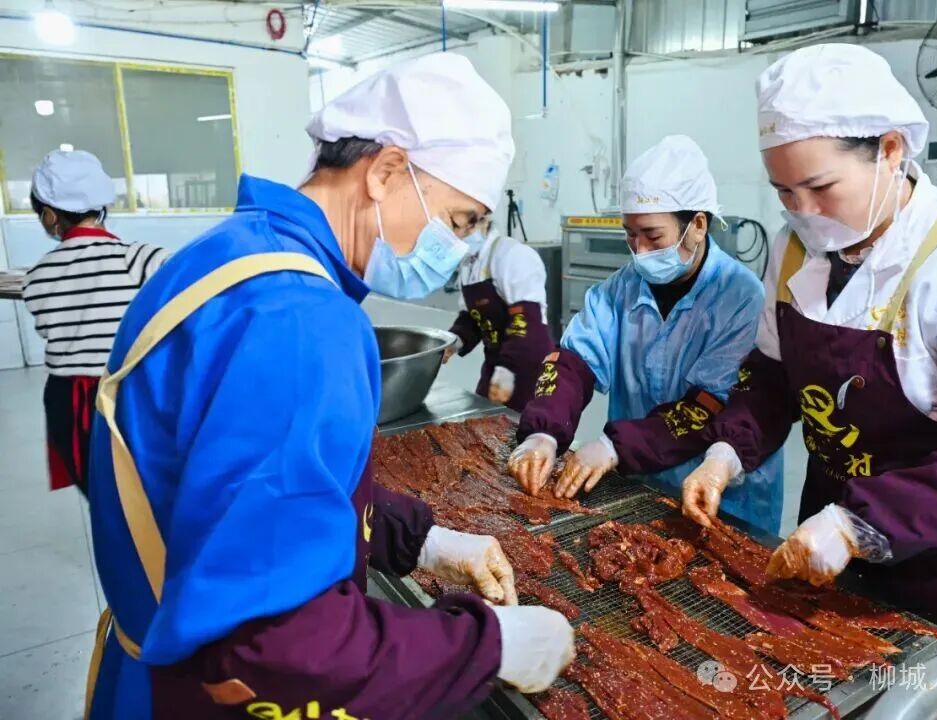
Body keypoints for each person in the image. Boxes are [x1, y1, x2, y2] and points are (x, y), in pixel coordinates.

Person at [84, 53, 574, 720]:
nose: (457, 248)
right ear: (386, 172)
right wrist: (490, 647)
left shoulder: (233, 255)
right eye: (458, 221)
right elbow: (276, 644)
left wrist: (419, 540)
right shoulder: (300, 320)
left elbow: (255, 491)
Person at [681, 43, 937, 636]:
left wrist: (857, 526)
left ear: (890, 150)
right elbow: (772, 377)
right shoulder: (793, 251)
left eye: (821, 186)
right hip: (831, 546)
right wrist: (726, 452)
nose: (804, 212)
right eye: (784, 192)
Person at [508, 135, 784, 533]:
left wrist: (615, 446)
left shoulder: (741, 299)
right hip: (640, 483)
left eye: (653, 236)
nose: (639, 251)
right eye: (630, 234)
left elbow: (710, 404)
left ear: (698, 226)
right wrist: (543, 432)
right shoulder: (619, 290)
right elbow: (573, 363)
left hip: (721, 496)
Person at [22, 150, 167, 498]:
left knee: (98, 490)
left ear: (49, 215)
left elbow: (49, 327)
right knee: (141, 491)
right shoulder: (141, 258)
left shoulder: (38, 274)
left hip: (68, 401)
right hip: (128, 390)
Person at [443, 216, 554, 410]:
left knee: (525, 422)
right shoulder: (468, 263)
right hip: (495, 360)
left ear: (484, 220)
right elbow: (472, 317)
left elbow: (525, 319)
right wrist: (455, 340)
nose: (460, 234)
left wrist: (507, 370)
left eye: (465, 227)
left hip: (528, 363)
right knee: (483, 416)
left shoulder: (512, 255)